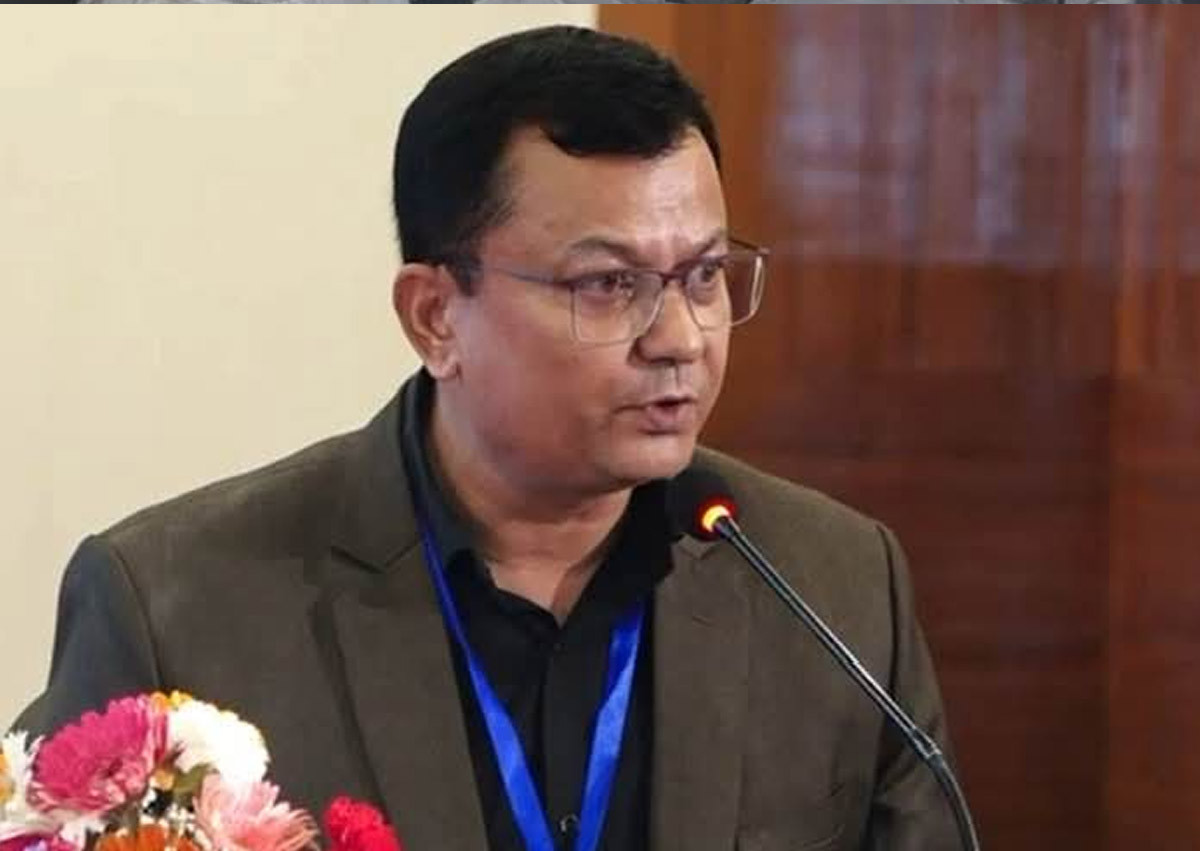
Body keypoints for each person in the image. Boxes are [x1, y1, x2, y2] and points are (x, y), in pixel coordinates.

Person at [14, 25, 959, 851]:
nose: (679, 338)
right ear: (435, 316)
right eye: (608, 285)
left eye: (704, 275)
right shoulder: (178, 612)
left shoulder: (834, 586)